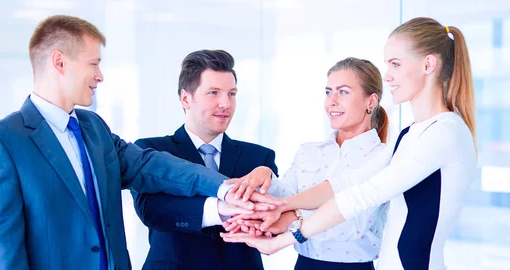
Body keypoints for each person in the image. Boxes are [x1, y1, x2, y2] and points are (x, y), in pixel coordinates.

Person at [0, 15, 279, 270]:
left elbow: (153, 165)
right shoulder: (1, 142)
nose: (100, 76)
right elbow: (2, 256)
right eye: (94, 64)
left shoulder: (94, 128)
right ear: (60, 62)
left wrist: (226, 189)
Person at [222, 17, 478, 270]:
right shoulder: (411, 134)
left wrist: (286, 236)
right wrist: (280, 205)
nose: (387, 76)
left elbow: (362, 196)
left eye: (396, 64)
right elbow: (344, 184)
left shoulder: (444, 133)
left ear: (428, 64)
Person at [226, 57, 390, 270]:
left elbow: (353, 223)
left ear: (371, 101)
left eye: (343, 92)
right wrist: (265, 176)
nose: (332, 101)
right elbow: (286, 197)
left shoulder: (383, 157)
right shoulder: (309, 151)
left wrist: (291, 219)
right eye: (328, 92)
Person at [131, 49, 279, 270]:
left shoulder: (259, 159)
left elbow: (271, 217)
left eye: (231, 94)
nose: (225, 104)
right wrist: (220, 208)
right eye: (213, 93)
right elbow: (153, 210)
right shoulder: (151, 150)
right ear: (185, 98)